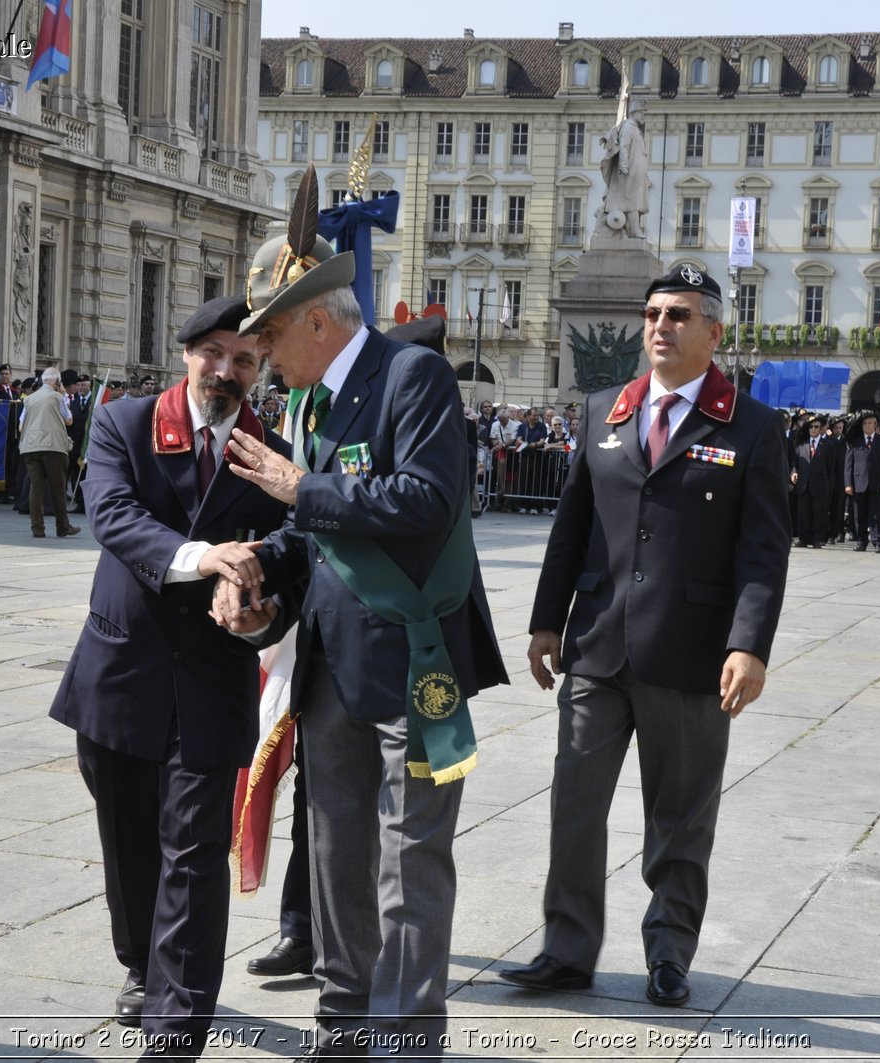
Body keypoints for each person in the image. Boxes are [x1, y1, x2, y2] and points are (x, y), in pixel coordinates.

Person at [210, 165, 506, 1059]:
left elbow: (425, 499)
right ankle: (344, 1015)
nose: (258, 355)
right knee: (335, 848)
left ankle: (411, 1033)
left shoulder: (413, 377)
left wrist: (306, 487)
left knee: (412, 858)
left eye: (264, 335)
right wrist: (260, 566)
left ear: (313, 317)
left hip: (417, 660)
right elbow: (314, 535)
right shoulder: (307, 403)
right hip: (333, 663)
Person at [503, 263, 790, 1009]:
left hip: (693, 653)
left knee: (681, 817)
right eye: (654, 313)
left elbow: (763, 550)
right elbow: (572, 527)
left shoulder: (752, 426)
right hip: (597, 646)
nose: (660, 326)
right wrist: (544, 620)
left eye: (680, 316)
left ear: (714, 332)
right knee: (575, 804)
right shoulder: (607, 409)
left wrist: (749, 643)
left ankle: (668, 953)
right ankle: (566, 949)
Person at [48, 295, 291, 1061]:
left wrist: (262, 610)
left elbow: (293, 548)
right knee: (128, 844)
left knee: (193, 851)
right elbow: (112, 514)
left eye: (244, 359)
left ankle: (176, 1027)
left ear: (259, 371)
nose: (227, 370)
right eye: (214, 353)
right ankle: (139, 963)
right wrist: (207, 557)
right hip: (121, 670)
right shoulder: (126, 423)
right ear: (186, 353)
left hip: (213, 680)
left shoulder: (269, 451)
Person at [19, 367, 80, 539]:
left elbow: (21, 425)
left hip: (31, 447)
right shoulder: (57, 397)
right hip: (53, 447)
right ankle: (62, 526)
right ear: (57, 382)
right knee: (58, 488)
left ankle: (37, 528)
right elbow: (69, 420)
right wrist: (62, 395)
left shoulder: (29, 399)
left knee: (35, 489)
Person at [599, 96, 650, 240]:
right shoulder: (628, 128)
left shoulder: (636, 130)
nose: (643, 115)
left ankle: (632, 229)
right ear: (634, 113)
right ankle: (633, 230)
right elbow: (624, 147)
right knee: (632, 201)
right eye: (641, 112)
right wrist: (623, 165)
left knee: (635, 201)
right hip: (629, 172)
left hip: (636, 173)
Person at [844, 412, 880, 552]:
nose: (868, 426)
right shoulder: (855, 441)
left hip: (876, 484)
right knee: (859, 515)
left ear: (875, 425)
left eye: (870, 423)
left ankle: (878, 541)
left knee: (877, 514)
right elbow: (848, 465)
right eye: (865, 423)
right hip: (858, 483)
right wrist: (848, 484)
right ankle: (861, 541)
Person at [791, 416, 833, 548]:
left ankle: (816, 539)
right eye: (811, 427)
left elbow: (831, 468)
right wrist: (793, 472)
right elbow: (794, 462)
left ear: (821, 429)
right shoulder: (801, 444)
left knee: (818, 513)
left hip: (820, 485)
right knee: (803, 513)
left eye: (816, 427)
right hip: (803, 484)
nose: (813, 429)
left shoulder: (827, 445)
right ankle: (803, 538)